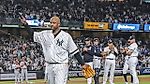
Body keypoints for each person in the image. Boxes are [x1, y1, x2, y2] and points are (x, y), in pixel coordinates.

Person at [20, 15, 88, 84]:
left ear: (59, 24)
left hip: (61, 66)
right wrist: (25, 24)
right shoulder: (45, 34)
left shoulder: (66, 36)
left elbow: (75, 51)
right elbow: (33, 35)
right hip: (49, 65)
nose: (52, 24)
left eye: (54, 23)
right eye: (51, 23)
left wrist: (83, 64)